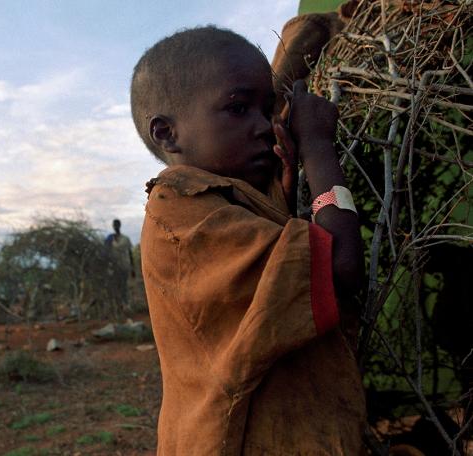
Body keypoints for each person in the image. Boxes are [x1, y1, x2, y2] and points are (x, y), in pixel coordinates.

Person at [131, 26, 365, 454]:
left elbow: (294, 46)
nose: (264, 126)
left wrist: (316, 30)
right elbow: (340, 267)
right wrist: (317, 146)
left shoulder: (240, 197)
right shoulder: (185, 215)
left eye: (268, 110)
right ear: (167, 133)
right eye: (239, 109)